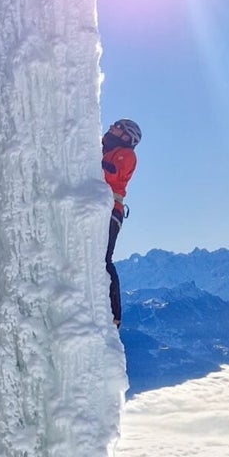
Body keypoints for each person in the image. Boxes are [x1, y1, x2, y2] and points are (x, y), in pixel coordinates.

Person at [102, 117, 141, 330]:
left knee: (104, 259)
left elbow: (109, 172)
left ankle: (115, 314)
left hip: (110, 212)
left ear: (127, 137)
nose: (111, 128)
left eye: (117, 128)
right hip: (103, 209)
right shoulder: (106, 147)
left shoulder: (127, 155)